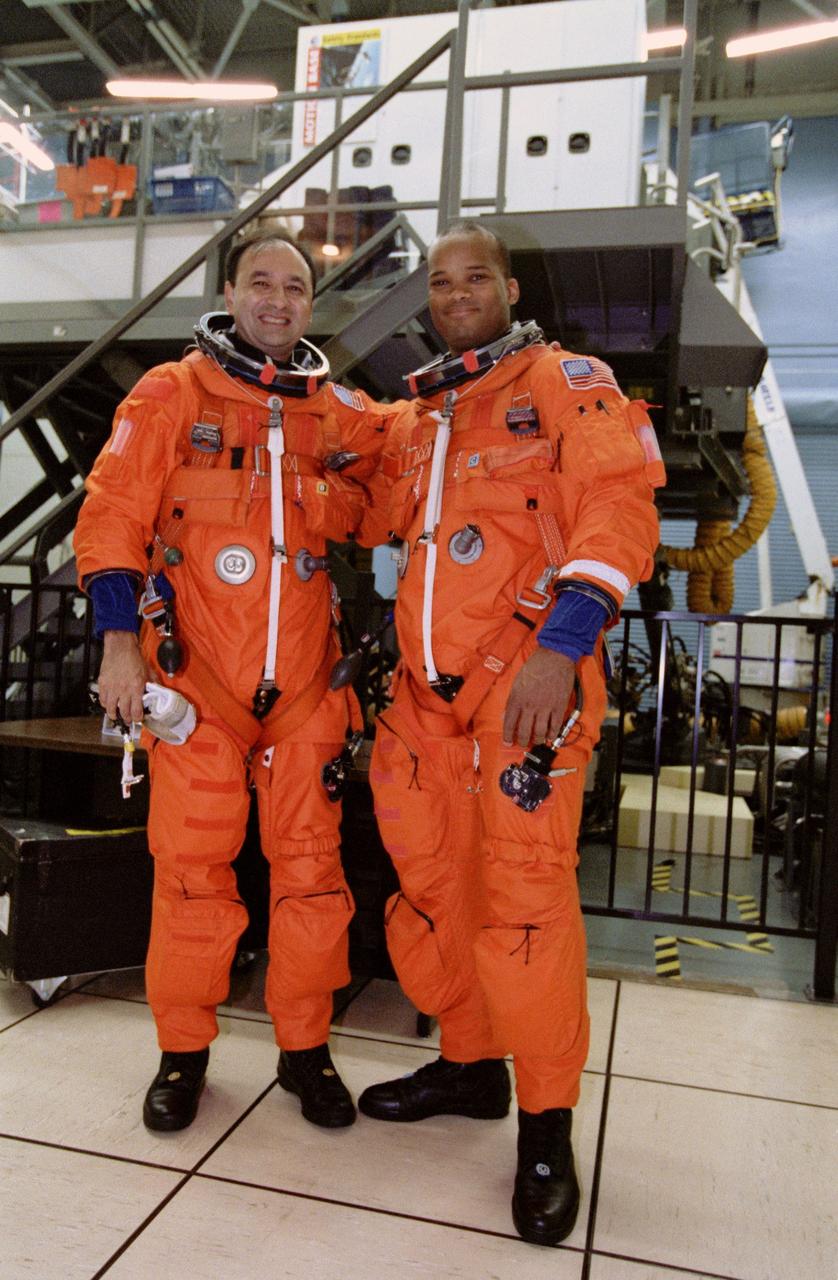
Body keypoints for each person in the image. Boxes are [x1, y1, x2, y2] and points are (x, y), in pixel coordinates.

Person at [356, 221, 663, 1246]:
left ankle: (545, 1127)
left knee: (525, 904)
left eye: (473, 276)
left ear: (508, 286)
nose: (455, 294)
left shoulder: (569, 383)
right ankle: (470, 1063)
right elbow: (353, 500)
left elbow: (619, 511)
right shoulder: (420, 417)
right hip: (425, 702)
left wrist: (557, 645)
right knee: (435, 884)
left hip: (527, 683)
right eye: (439, 282)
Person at [74, 228, 391, 1134]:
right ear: (228, 290)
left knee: (311, 877)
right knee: (190, 877)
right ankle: (183, 1055)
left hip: (303, 693)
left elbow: (407, 454)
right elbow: (111, 518)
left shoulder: (331, 409)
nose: (279, 300)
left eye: (296, 287)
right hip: (197, 687)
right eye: (263, 282)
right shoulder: (172, 393)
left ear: (310, 304)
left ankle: (305, 1050)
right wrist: (118, 643)